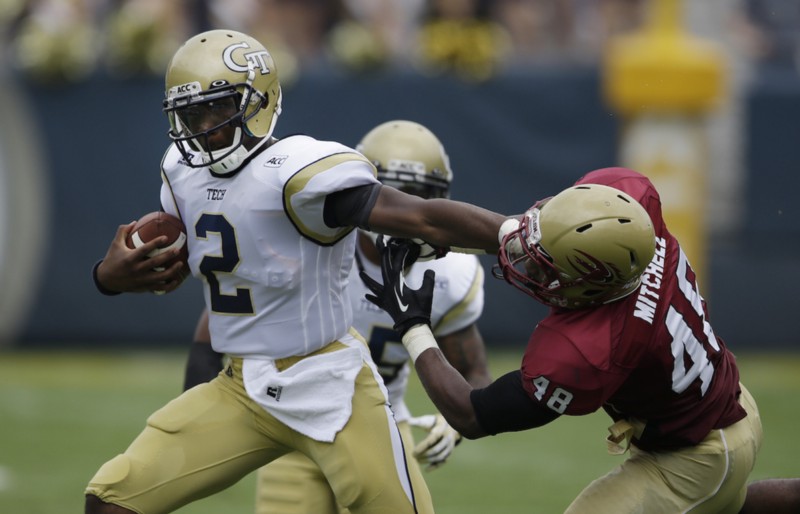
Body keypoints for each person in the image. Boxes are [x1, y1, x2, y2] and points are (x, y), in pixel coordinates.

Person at [85, 30, 507, 514]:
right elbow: (196, 262)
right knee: (111, 500)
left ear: (257, 103)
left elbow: (421, 217)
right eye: (191, 114)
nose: (204, 129)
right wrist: (109, 277)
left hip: (332, 383)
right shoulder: (181, 172)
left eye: (218, 111)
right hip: (244, 386)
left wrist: (514, 232)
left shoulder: (298, 172)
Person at [362, 166, 800, 513]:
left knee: (712, 499)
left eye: (546, 266)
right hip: (729, 408)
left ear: (594, 288)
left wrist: (412, 324)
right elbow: (527, 232)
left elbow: (473, 415)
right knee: (724, 505)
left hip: (694, 457)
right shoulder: (628, 209)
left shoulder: (589, 349)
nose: (528, 264)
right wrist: (420, 226)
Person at [184, 120, 493, 513]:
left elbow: (474, 370)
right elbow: (210, 334)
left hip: (382, 429)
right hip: (292, 424)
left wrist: (454, 421)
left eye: (420, 198)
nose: (407, 212)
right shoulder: (309, 248)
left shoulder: (451, 275)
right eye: (395, 194)